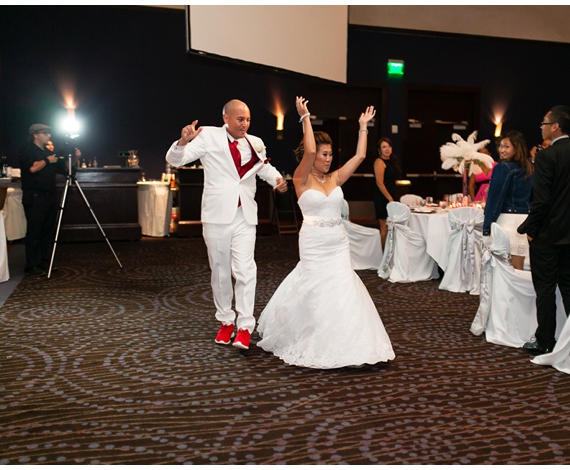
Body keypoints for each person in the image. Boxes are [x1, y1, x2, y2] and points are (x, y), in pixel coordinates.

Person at [257, 97, 395, 369]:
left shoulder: (335, 178)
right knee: (316, 289)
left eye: (331, 154)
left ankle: (348, 341)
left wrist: (363, 127)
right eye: (324, 154)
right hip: (313, 242)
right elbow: (308, 151)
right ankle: (310, 334)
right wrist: (305, 117)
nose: (328, 159)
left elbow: (360, 156)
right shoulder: (301, 178)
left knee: (343, 287)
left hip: (338, 243)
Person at [165, 99, 288, 350]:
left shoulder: (256, 143)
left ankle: (244, 326)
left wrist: (277, 178)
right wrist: (182, 142)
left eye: (248, 120)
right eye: (240, 119)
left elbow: (262, 168)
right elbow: (176, 160)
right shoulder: (208, 136)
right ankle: (225, 321)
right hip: (217, 215)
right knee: (220, 270)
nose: (245, 124)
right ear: (226, 118)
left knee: (245, 269)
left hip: (245, 215)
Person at [517, 106, 570, 355]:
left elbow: (541, 200)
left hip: (547, 234)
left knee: (545, 288)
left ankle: (545, 341)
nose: (541, 127)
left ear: (555, 126)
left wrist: (531, 228)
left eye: (544, 123)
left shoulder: (547, 155)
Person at [482, 130, 533, 270]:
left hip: (506, 222)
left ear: (517, 148)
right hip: (524, 222)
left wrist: (486, 228)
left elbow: (494, 200)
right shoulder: (529, 168)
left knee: (503, 271)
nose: (501, 150)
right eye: (501, 146)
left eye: (506, 146)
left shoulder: (502, 168)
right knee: (519, 269)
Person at [18, 123, 64, 275]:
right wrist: (47, 161)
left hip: (49, 196)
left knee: (47, 231)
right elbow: (32, 168)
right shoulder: (27, 151)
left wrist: (74, 156)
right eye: (46, 133)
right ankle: (31, 265)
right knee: (34, 231)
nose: (49, 136)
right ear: (36, 135)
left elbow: (63, 170)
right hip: (35, 197)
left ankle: (44, 262)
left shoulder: (46, 152)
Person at [373, 137, 402, 248]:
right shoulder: (379, 162)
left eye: (389, 146)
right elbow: (379, 183)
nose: (387, 149)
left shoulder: (392, 161)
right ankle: (382, 255)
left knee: (391, 226)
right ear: (379, 150)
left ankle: (389, 251)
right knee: (384, 226)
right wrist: (389, 198)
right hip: (382, 197)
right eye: (384, 147)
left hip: (391, 196)